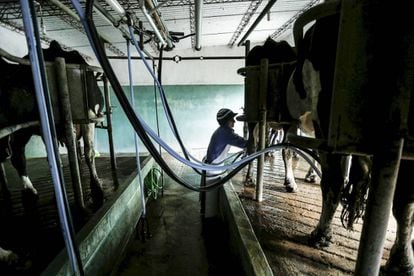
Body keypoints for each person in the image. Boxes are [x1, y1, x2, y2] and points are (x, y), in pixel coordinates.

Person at [201, 108, 248, 218]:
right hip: (213, 169)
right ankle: (210, 224)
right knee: (211, 204)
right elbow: (245, 144)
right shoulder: (226, 133)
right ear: (226, 121)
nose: (234, 121)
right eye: (232, 119)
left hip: (212, 165)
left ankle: (208, 217)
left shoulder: (221, 131)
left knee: (209, 199)